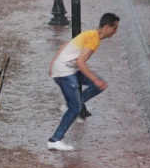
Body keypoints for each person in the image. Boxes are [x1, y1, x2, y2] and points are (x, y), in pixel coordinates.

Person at [47, 13, 120, 151]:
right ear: (106, 27)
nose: (115, 32)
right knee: (76, 108)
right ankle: (54, 140)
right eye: (114, 28)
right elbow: (81, 62)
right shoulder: (94, 39)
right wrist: (95, 79)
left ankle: (70, 105)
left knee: (99, 84)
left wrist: (53, 63)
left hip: (66, 69)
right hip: (65, 72)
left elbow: (64, 45)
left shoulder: (91, 34)